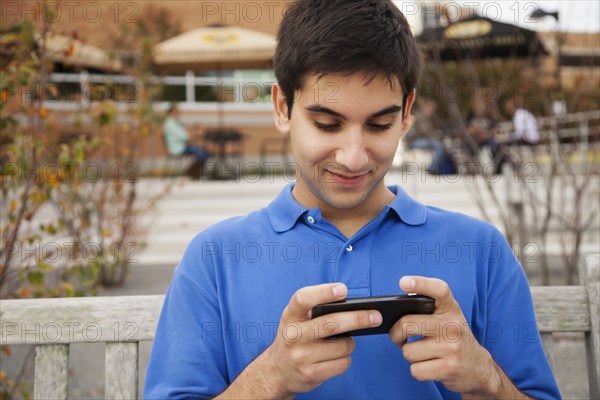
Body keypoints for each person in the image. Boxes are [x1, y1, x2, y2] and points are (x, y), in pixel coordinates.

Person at [145, 1, 560, 399]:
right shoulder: (215, 258)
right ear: (282, 107)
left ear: (406, 114)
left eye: (379, 125)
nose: (353, 157)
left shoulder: (481, 250)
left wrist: (484, 378)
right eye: (327, 124)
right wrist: (269, 377)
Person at [163, 104, 211, 178]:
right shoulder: (170, 124)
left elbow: (185, 135)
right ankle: (192, 172)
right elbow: (185, 136)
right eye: (176, 112)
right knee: (202, 153)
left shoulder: (175, 122)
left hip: (182, 146)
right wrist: (197, 133)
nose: (178, 113)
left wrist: (194, 134)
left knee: (205, 152)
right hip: (178, 148)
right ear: (171, 113)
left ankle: (192, 172)